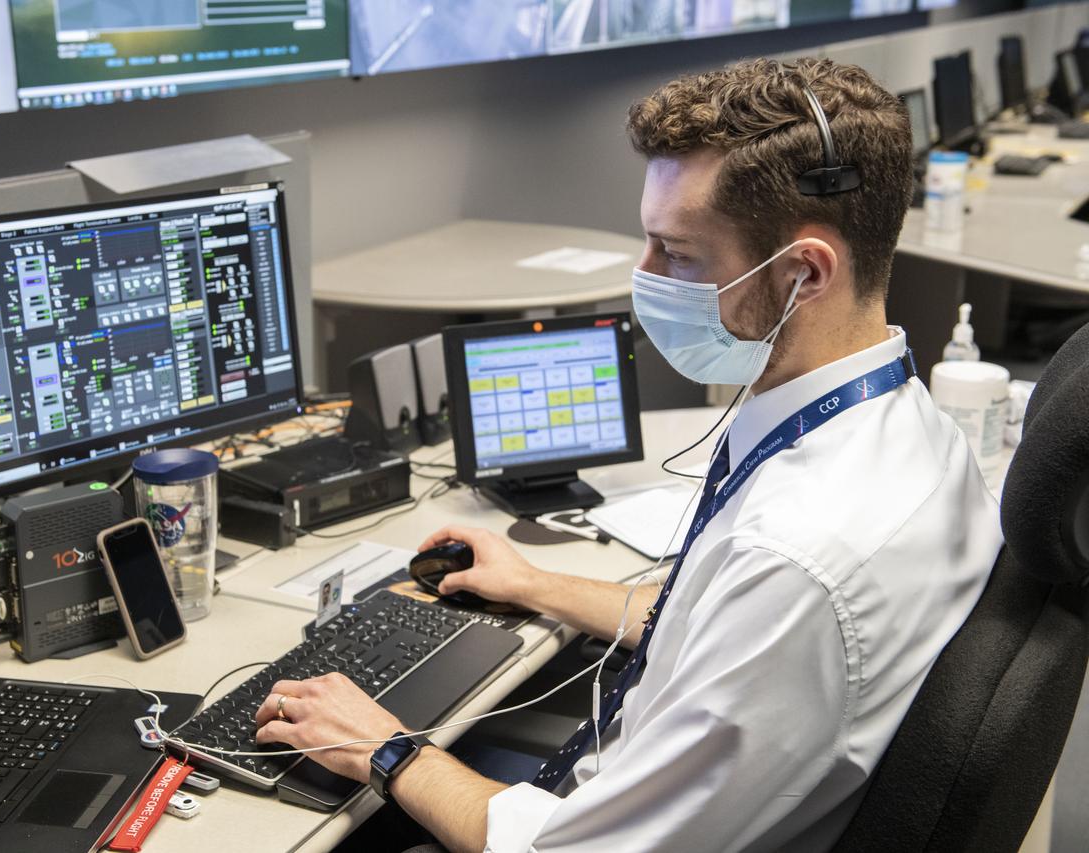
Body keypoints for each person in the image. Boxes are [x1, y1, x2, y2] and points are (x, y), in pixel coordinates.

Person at [253, 57, 1002, 852]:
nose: (641, 278)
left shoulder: (797, 558)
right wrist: (537, 583)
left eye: (676, 254)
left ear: (804, 273)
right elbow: (719, 629)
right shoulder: (909, 425)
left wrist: (385, 747)